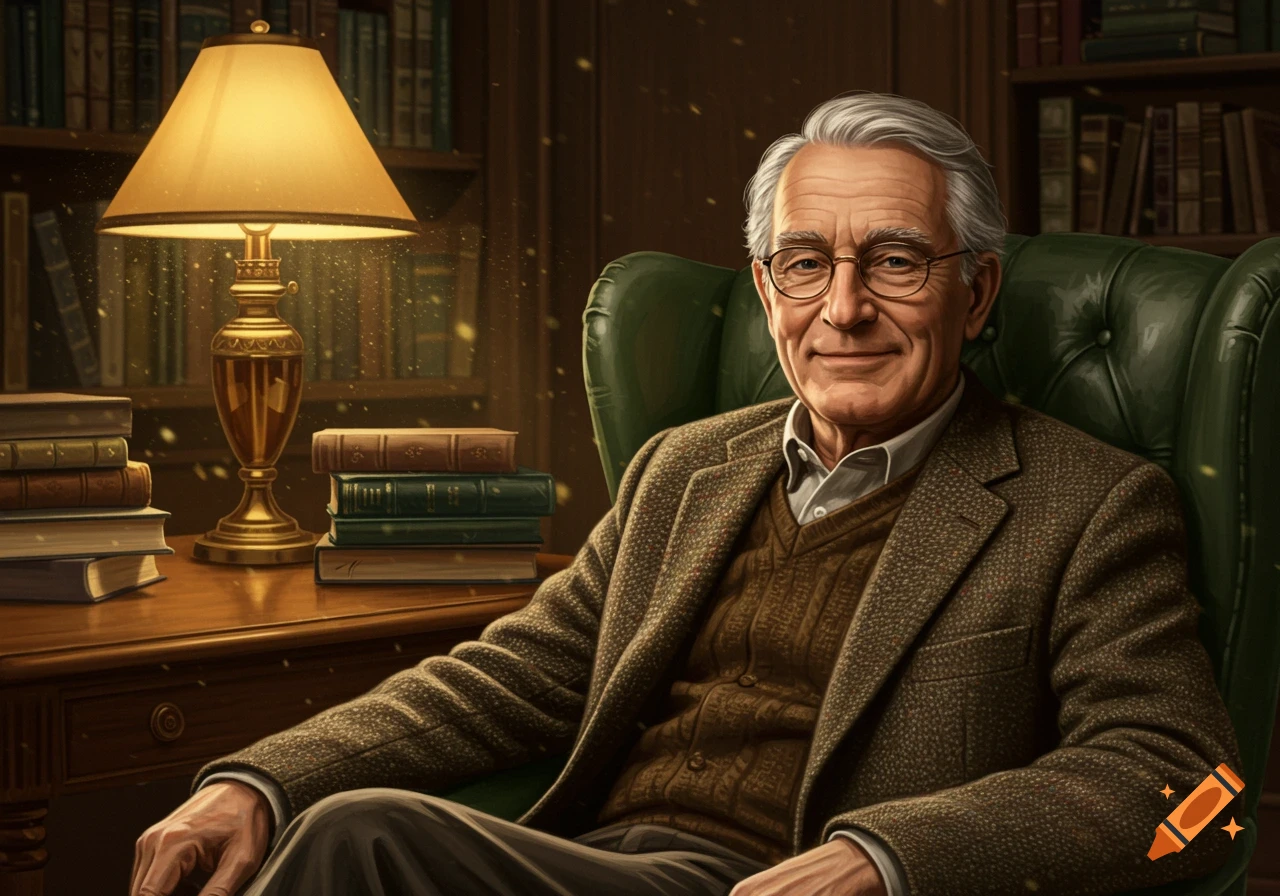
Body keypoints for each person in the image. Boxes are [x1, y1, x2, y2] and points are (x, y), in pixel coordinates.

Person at [129, 92, 1242, 896]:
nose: (843, 308)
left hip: (772, 877)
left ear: (977, 291)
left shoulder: (1088, 503)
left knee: (359, 840)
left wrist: (888, 857)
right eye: (805, 263)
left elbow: (1186, 778)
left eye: (895, 261)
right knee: (321, 824)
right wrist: (260, 780)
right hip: (591, 862)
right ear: (765, 289)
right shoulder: (685, 467)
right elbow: (513, 675)